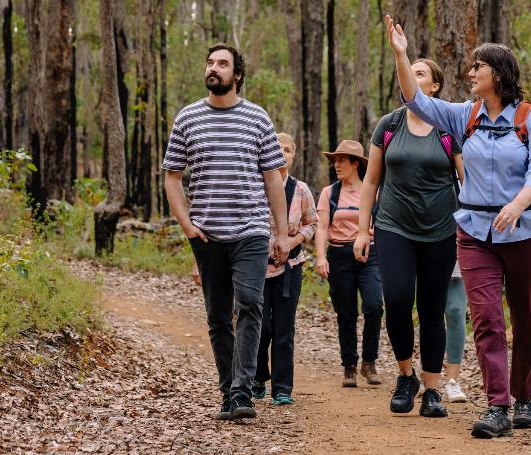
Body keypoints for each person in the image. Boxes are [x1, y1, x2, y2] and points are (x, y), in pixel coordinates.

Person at [385, 15, 531, 439]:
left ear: (498, 74)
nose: (470, 73)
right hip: (475, 232)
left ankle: (524, 397)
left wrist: (516, 205)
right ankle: (497, 405)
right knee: (487, 320)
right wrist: (401, 55)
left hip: (526, 233)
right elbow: (415, 101)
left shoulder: (530, 119)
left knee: (526, 319)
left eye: (478, 67)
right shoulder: (465, 115)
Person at [163, 43, 300, 422]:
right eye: (210, 62)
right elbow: (172, 177)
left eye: (222, 64)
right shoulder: (188, 118)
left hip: (251, 232)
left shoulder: (257, 118)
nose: (214, 68)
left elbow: (273, 179)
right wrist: (187, 225)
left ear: (236, 75)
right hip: (207, 236)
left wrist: (281, 233)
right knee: (219, 317)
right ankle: (228, 391)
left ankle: (242, 391)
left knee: (251, 305)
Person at [356, 58, 464, 419]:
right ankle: (406, 376)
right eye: (409, 70)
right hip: (393, 226)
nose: (411, 76)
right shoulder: (389, 125)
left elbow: (467, 182)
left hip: (440, 231)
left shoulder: (447, 129)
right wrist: (361, 230)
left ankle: (432, 390)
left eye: (421, 73)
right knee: (399, 300)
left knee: (432, 309)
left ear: (434, 87)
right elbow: (371, 180)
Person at [253, 132, 317, 406]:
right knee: (260, 326)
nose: (282, 153)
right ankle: (257, 377)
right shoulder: (256, 185)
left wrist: (292, 241)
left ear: (293, 156)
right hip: (256, 266)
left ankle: (282, 388)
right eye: (277, 148)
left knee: (283, 328)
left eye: (288, 149)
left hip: (290, 267)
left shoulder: (300, 189)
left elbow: (311, 223)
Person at [314, 139, 383, 388]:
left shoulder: (372, 190)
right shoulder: (329, 193)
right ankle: (350, 366)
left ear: (356, 164)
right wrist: (321, 257)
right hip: (340, 256)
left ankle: (369, 362)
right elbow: (321, 227)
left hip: (370, 255)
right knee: (346, 313)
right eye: (335, 161)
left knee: (374, 306)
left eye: (342, 160)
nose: (337, 165)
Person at [444, 266, 469, 403]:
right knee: (430, 312)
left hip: (458, 255)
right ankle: (427, 376)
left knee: (456, 311)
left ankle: (452, 381)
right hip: (427, 249)